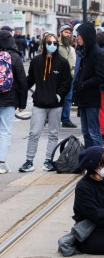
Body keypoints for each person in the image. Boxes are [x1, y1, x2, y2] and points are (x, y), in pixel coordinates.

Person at [18, 34, 72, 172]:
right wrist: (18, 87)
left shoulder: (63, 62)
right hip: (39, 103)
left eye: (54, 42)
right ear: (44, 44)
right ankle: (29, 161)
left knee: (53, 133)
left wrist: (59, 96)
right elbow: (30, 79)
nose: (52, 45)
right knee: (34, 133)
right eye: (49, 42)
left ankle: (49, 160)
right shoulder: (36, 61)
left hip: (56, 105)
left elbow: (66, 82)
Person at [73, 22, 104, 149]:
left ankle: (97, 159)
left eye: (79, 35)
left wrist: (84, 84)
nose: (77, 38)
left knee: (94, 132)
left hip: (91, 98)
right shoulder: (83, 51)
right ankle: (88, 158)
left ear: (86, 36)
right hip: (82, 97)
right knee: (86, 132)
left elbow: (101, 76)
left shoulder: (95, 52)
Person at [0, 31, 28, 173]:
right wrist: (22, 103)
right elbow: (22, 81)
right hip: (9, 99)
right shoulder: (15, 57)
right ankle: (1, 163)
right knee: (5, 131)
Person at [58, 25, 77, 129]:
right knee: (58, 98)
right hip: (59, 77)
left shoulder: (70, 47)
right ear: (60, 33)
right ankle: (55, 118)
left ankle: (65, 119)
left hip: (70, 77)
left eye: (69, 33)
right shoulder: (56, 45)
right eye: (66, 32)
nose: (68, 35)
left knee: (68, 99)